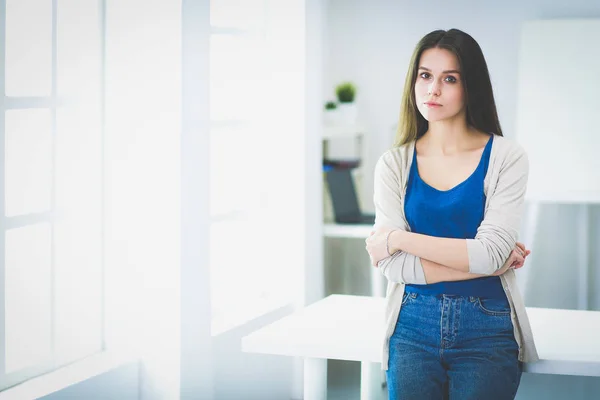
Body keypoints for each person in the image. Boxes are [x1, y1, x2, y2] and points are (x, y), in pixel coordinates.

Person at [365, 29, 540, 400]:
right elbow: (393, 268)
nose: (433, 90)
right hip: (411, 324)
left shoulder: (507, 157)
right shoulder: (393, 164)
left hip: (487, 324)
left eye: (450, 79)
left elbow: (490, 252)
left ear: (470, 86)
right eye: (425, 75)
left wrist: (397, 239)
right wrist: (488, 264)